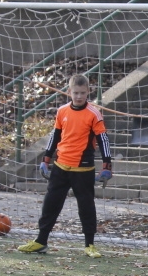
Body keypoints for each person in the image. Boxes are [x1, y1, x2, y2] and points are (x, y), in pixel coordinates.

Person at [17, 74, 112, 257]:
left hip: (83, 168)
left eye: (83, 93)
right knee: (50, 204)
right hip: (60, 166)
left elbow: (103, 139)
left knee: (86, 206)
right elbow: (55, 135)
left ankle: (89, 244)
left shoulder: (94, 114)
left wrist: (107, 165)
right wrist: (46, 158)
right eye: (76, 92)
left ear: (88, 92)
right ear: (69, 92)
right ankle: (41, 241)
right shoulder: (62, 111)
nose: (79, 96)